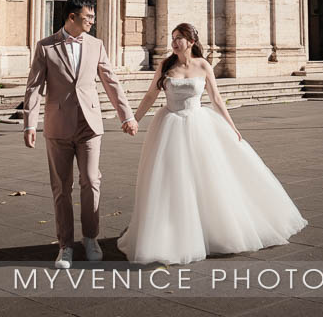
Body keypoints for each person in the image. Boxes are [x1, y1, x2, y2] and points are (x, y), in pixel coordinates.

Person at [117, 22, 307, 265]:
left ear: (191, 42)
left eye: (179, 38)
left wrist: (232, 126)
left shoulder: (203, 65)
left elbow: (216, 99)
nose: (174, 43)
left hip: (199, 125)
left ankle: (208, 230)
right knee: (170, 181)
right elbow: (151, 95)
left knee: (206, 179)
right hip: (169, 125)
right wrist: (134, 119)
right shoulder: (166, 65)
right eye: (173, 38)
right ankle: (171, 234)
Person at [23, 0, 138, 269]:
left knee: (90, 180)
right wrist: (30, 122)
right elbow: (34, 87)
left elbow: (111, 82)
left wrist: (127, 115)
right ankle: (65, 246)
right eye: (88, 17)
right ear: (72, 17)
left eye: (93, 18)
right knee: (61, 188)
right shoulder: (45, 47)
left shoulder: (96, 45)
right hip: (58, 126)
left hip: (90, 125)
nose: (92, 22)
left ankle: (90, 238)